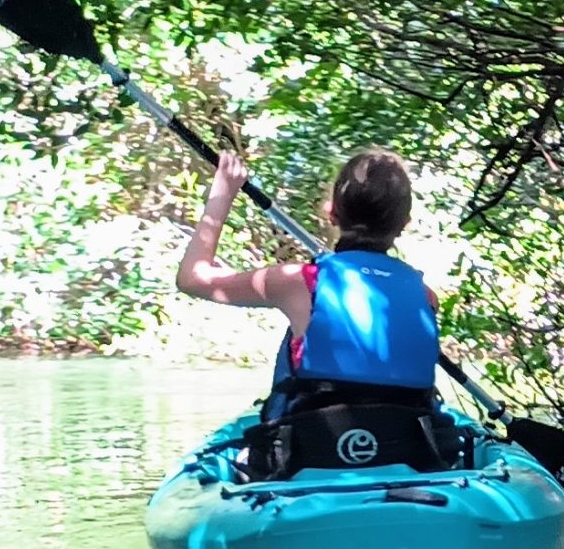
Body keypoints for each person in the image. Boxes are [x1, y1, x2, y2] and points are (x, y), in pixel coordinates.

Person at [175, 147, 440, 419]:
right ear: (404, 223)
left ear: (331, 212)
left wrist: (223, 192)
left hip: (315, 447)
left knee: (300, 336)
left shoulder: (297, 282)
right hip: (410, 449)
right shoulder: (425, 297)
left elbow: (191, 279)